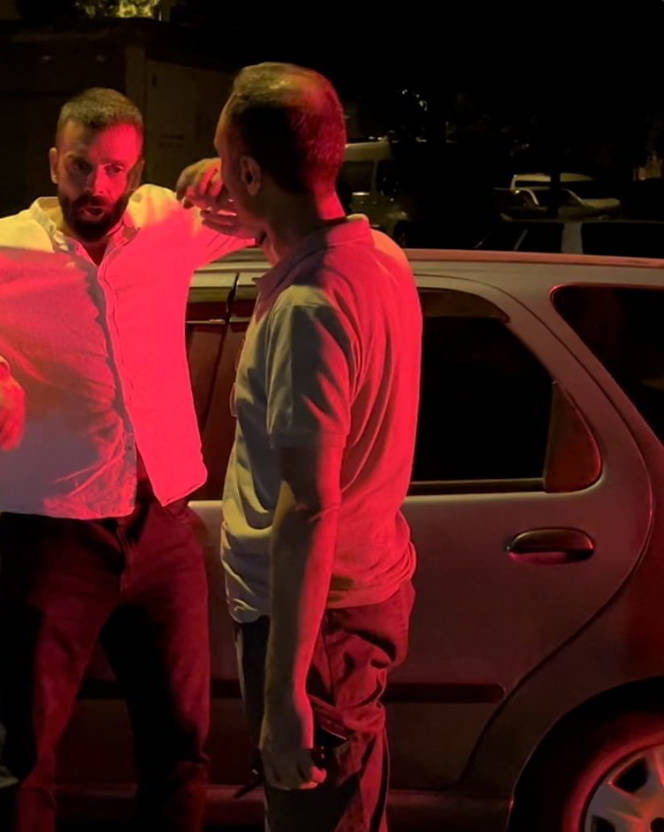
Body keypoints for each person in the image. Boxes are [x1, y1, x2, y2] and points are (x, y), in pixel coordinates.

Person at [0, 87, 251, 831]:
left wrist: (228, 172)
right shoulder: (2, 249)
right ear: (54, 162)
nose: (96, 186)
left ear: (137, 170)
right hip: (51, 536)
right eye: (81, 166)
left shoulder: (166, 225)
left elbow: (272, 218)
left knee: (181, 746)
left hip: (163, 523)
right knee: (28, 757)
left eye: (115, 170)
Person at [205, 63, 421, 830]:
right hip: (351, 605)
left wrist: (287, 693)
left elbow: (309, 506)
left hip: (315, 626)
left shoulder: (308, 309)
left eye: (227, 164)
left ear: (252, 173)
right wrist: (248, 196)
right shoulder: (379, 257)